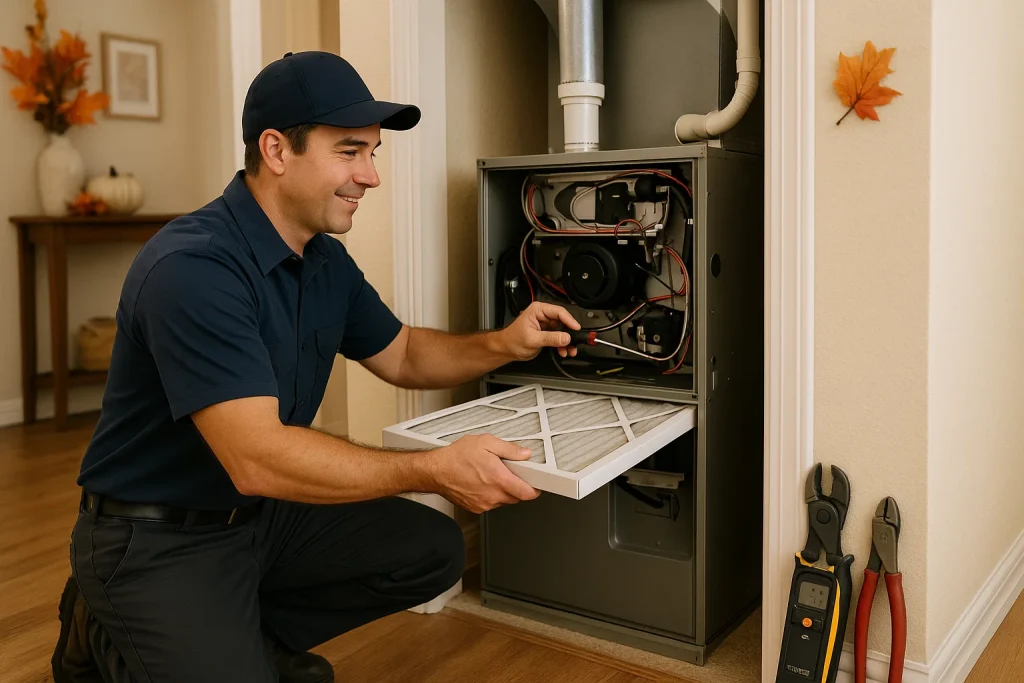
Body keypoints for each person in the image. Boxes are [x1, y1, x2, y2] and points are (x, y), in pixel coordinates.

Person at [51, 51, 581, 683]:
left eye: (372, 154)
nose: (371, 177)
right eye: (350, 151)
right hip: (157, 539)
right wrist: (433, 470)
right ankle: (107, 628)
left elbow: (404, 353)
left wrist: (505, 343)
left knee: (431, 553)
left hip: (260, 519)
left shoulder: (322, 260)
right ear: (277, 150)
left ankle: (235, 638)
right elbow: (256, 458)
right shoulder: (193, 269)